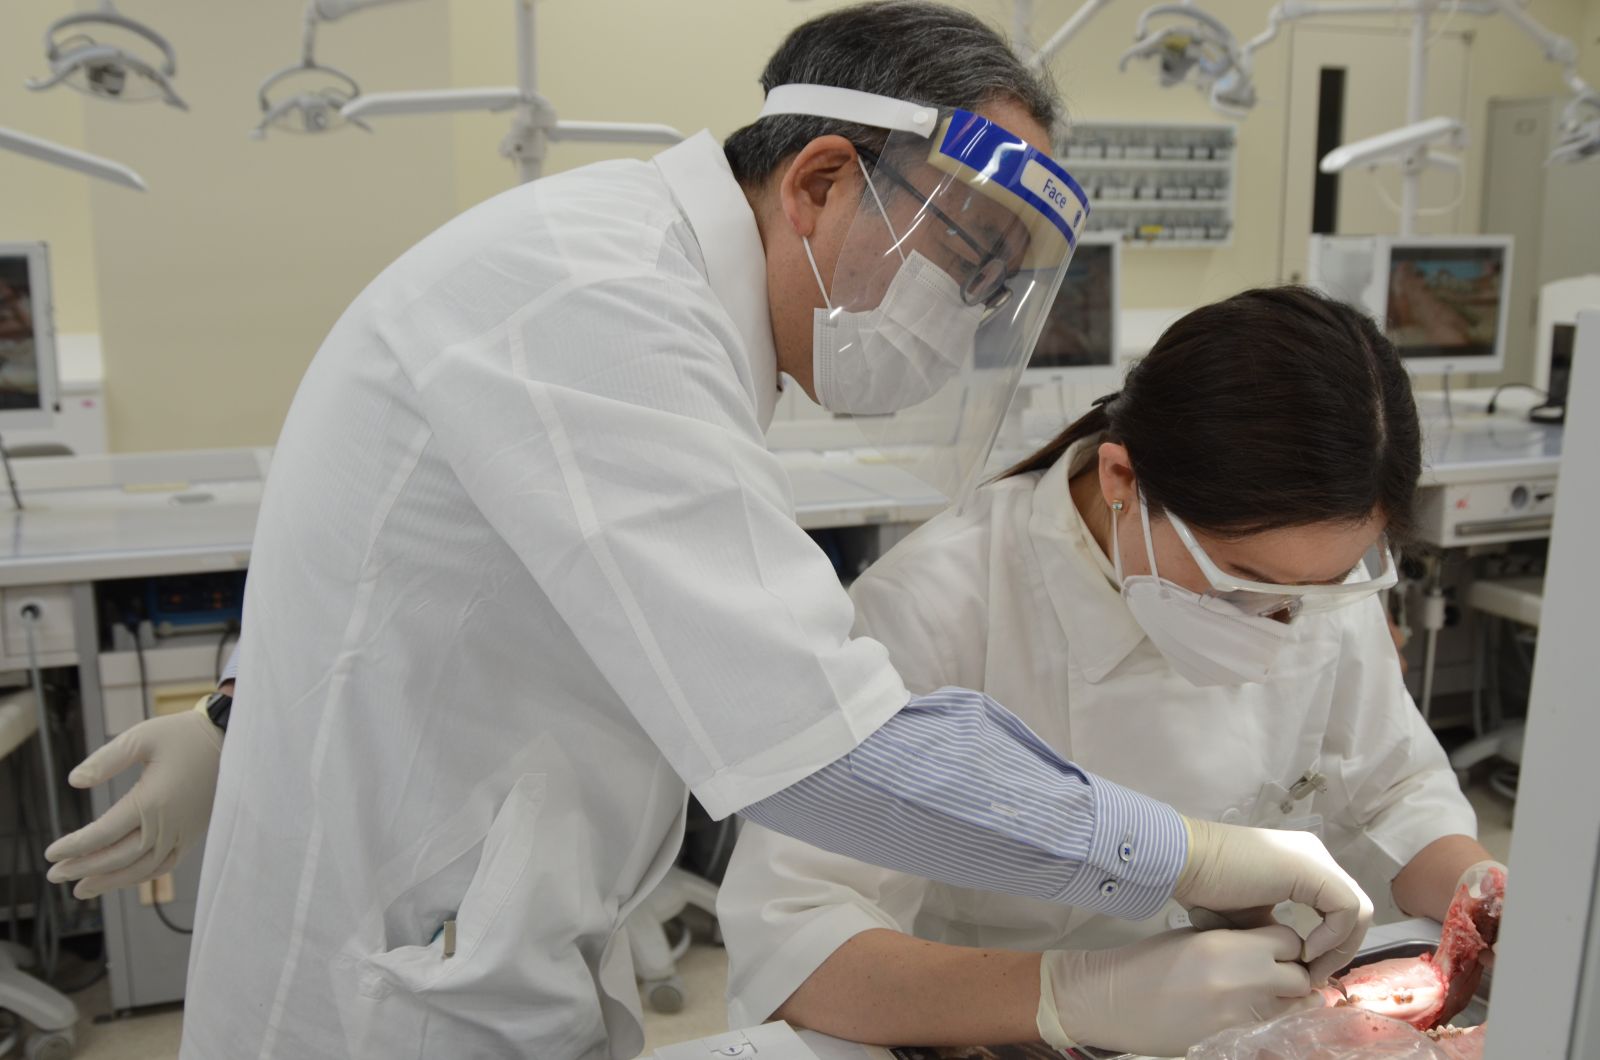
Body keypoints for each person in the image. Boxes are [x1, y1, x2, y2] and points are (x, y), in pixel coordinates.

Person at [45, 6, 1373, 1057]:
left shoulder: (654, 299)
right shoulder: (598, 299)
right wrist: (1180, 863)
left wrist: (237, 710)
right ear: (821, 180)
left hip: (486, 927)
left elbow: (439, 562)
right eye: (963, 257)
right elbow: (831, 759)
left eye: (993, 284)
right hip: (388, 998)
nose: (967, 314)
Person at [717, 286, 1500, 1058]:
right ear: (1123, 480)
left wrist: (1487, 900)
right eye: (1239, 585)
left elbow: (1394, 792)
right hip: (993, 1031)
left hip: (1250, 1026)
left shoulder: (1307, 579)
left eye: (1308, 595)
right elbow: (795, 946)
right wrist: (1075, 994)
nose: (1275, 625)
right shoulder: (936, 606)